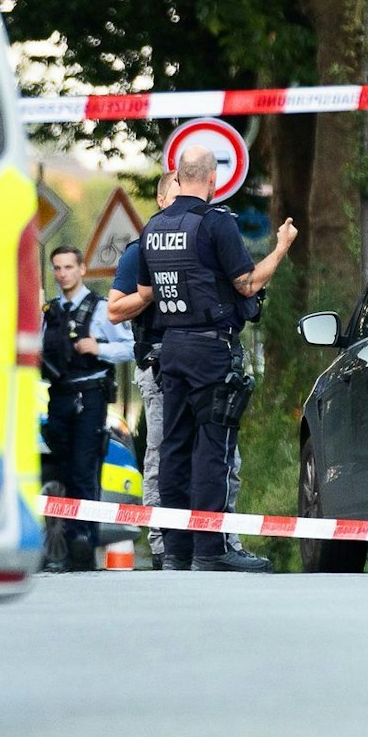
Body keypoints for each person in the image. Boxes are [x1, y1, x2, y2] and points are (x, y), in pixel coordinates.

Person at [115, 146, 297, 572]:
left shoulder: (154, 227)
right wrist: (282, 246)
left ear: (177, 177)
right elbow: (248, 284)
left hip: (170, 350)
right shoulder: (215, 224)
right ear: (212, 179)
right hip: (211, 349)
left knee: (175, 448)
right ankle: (210, 548)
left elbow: (146, 294)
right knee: (213, 449)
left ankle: (176, 550)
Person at [108, 171, 186, 567]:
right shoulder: (142, 251)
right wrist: (152, 291)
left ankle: (210, 539)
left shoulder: (201, 244)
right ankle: (160, 543)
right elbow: (115, 308)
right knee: (160, 449)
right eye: (176, 197)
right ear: (160, 201)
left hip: (197, 360)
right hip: (157, 363)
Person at [42, 244, 135, 571]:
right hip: (59, 398)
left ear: (82, 269)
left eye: (68, 267)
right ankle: (67, 548)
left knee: (84, 470)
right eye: (57, 268)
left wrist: (98, 346)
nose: (63, 273)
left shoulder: (100, 309)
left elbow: (129, 348)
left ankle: (82, 543)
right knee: (64, 471)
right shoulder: (51, 312)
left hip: (90, 398)